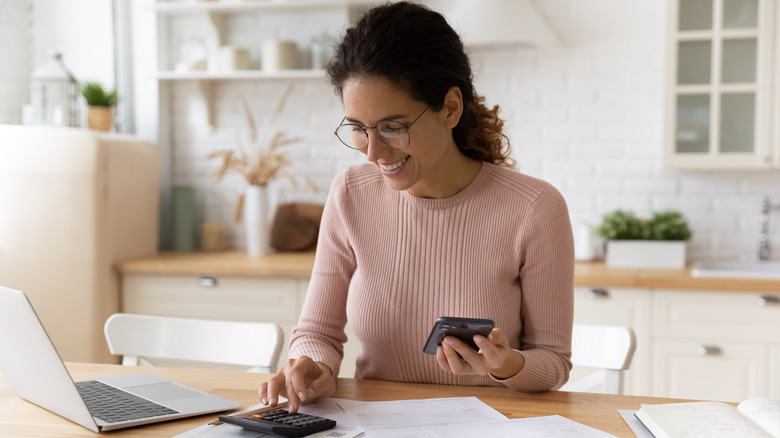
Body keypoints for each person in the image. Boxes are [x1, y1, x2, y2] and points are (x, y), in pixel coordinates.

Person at [260, 1, 574, 413]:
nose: (373, 152)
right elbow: (318, 331)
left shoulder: (534, 208)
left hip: (488, 425)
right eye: (358, 128)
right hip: (373, 424)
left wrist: (508, 364)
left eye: (393, 127)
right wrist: (313, 366)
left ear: (450, 108)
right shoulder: (351, 194)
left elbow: (553, 362)